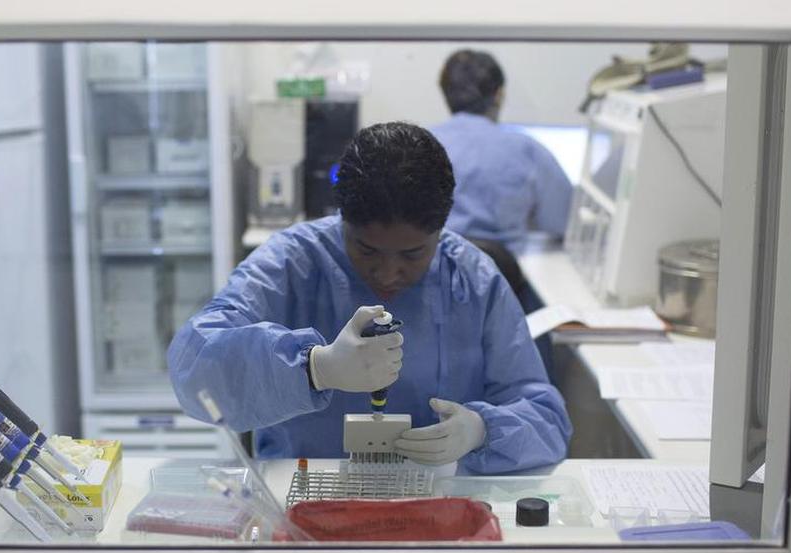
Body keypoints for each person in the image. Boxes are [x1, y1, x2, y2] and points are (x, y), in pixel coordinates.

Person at [168, 122, 571, 474]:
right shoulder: (291, 264)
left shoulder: (473, 279)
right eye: (367, 250)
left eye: (413, 254)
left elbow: (547, 423)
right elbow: (192, 368)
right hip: (306, 502)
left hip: (437, 506)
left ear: (441, 230)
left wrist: (482, 431)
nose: (388, 274)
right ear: (343, 221)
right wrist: (313, 368)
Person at [430, 49, 574, 254]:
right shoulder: (527, 150)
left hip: (432, 277)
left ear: (445, 94)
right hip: (503, 278)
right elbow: (563, 222)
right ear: (499, 95)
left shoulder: (417, 147)